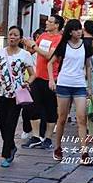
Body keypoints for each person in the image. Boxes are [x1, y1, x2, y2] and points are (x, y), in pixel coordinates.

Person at [0, 26, 36, 167]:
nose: (12, 37)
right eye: (10, 34)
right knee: (2, 123)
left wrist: (27, 83)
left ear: (20, 38)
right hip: (1, 93)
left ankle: (6, 154)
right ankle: (11, 146)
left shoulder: (25, 55)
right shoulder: (0, 53)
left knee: (11, 123)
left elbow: (33, 74)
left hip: (17, 94)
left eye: (15, 35)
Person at [48, 19, 93, 165]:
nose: (79, 31)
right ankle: (58, 147)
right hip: (64, 83)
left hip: (79, 84)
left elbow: (88, 66)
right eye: (76, 29)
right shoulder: (63, 45)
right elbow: (50, 62)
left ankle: (84, 152)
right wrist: (51, 80)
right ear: (70, 31)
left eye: (80, 29)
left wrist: (89, 85)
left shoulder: (86, 45)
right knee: (62, 118)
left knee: (82, 118)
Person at [22, 14, 64, 149]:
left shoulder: (59, 39)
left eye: (50, 21)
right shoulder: (43, 36)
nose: (47, 23)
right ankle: (35, 136)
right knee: (31, 106)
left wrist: (34, 46)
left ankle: (48, 138)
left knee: (51, 109)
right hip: (37, 76)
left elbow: (49, 55)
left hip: (51, 78)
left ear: (57, 25)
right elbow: (34, 51)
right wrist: (27, 44)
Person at [21, 27, 45, 141]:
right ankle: (26, 129)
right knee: (27, 107)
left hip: (41, 81)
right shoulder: (26, 54)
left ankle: (40, 133)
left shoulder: (43, 54)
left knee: (40, 108)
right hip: (28, 81)